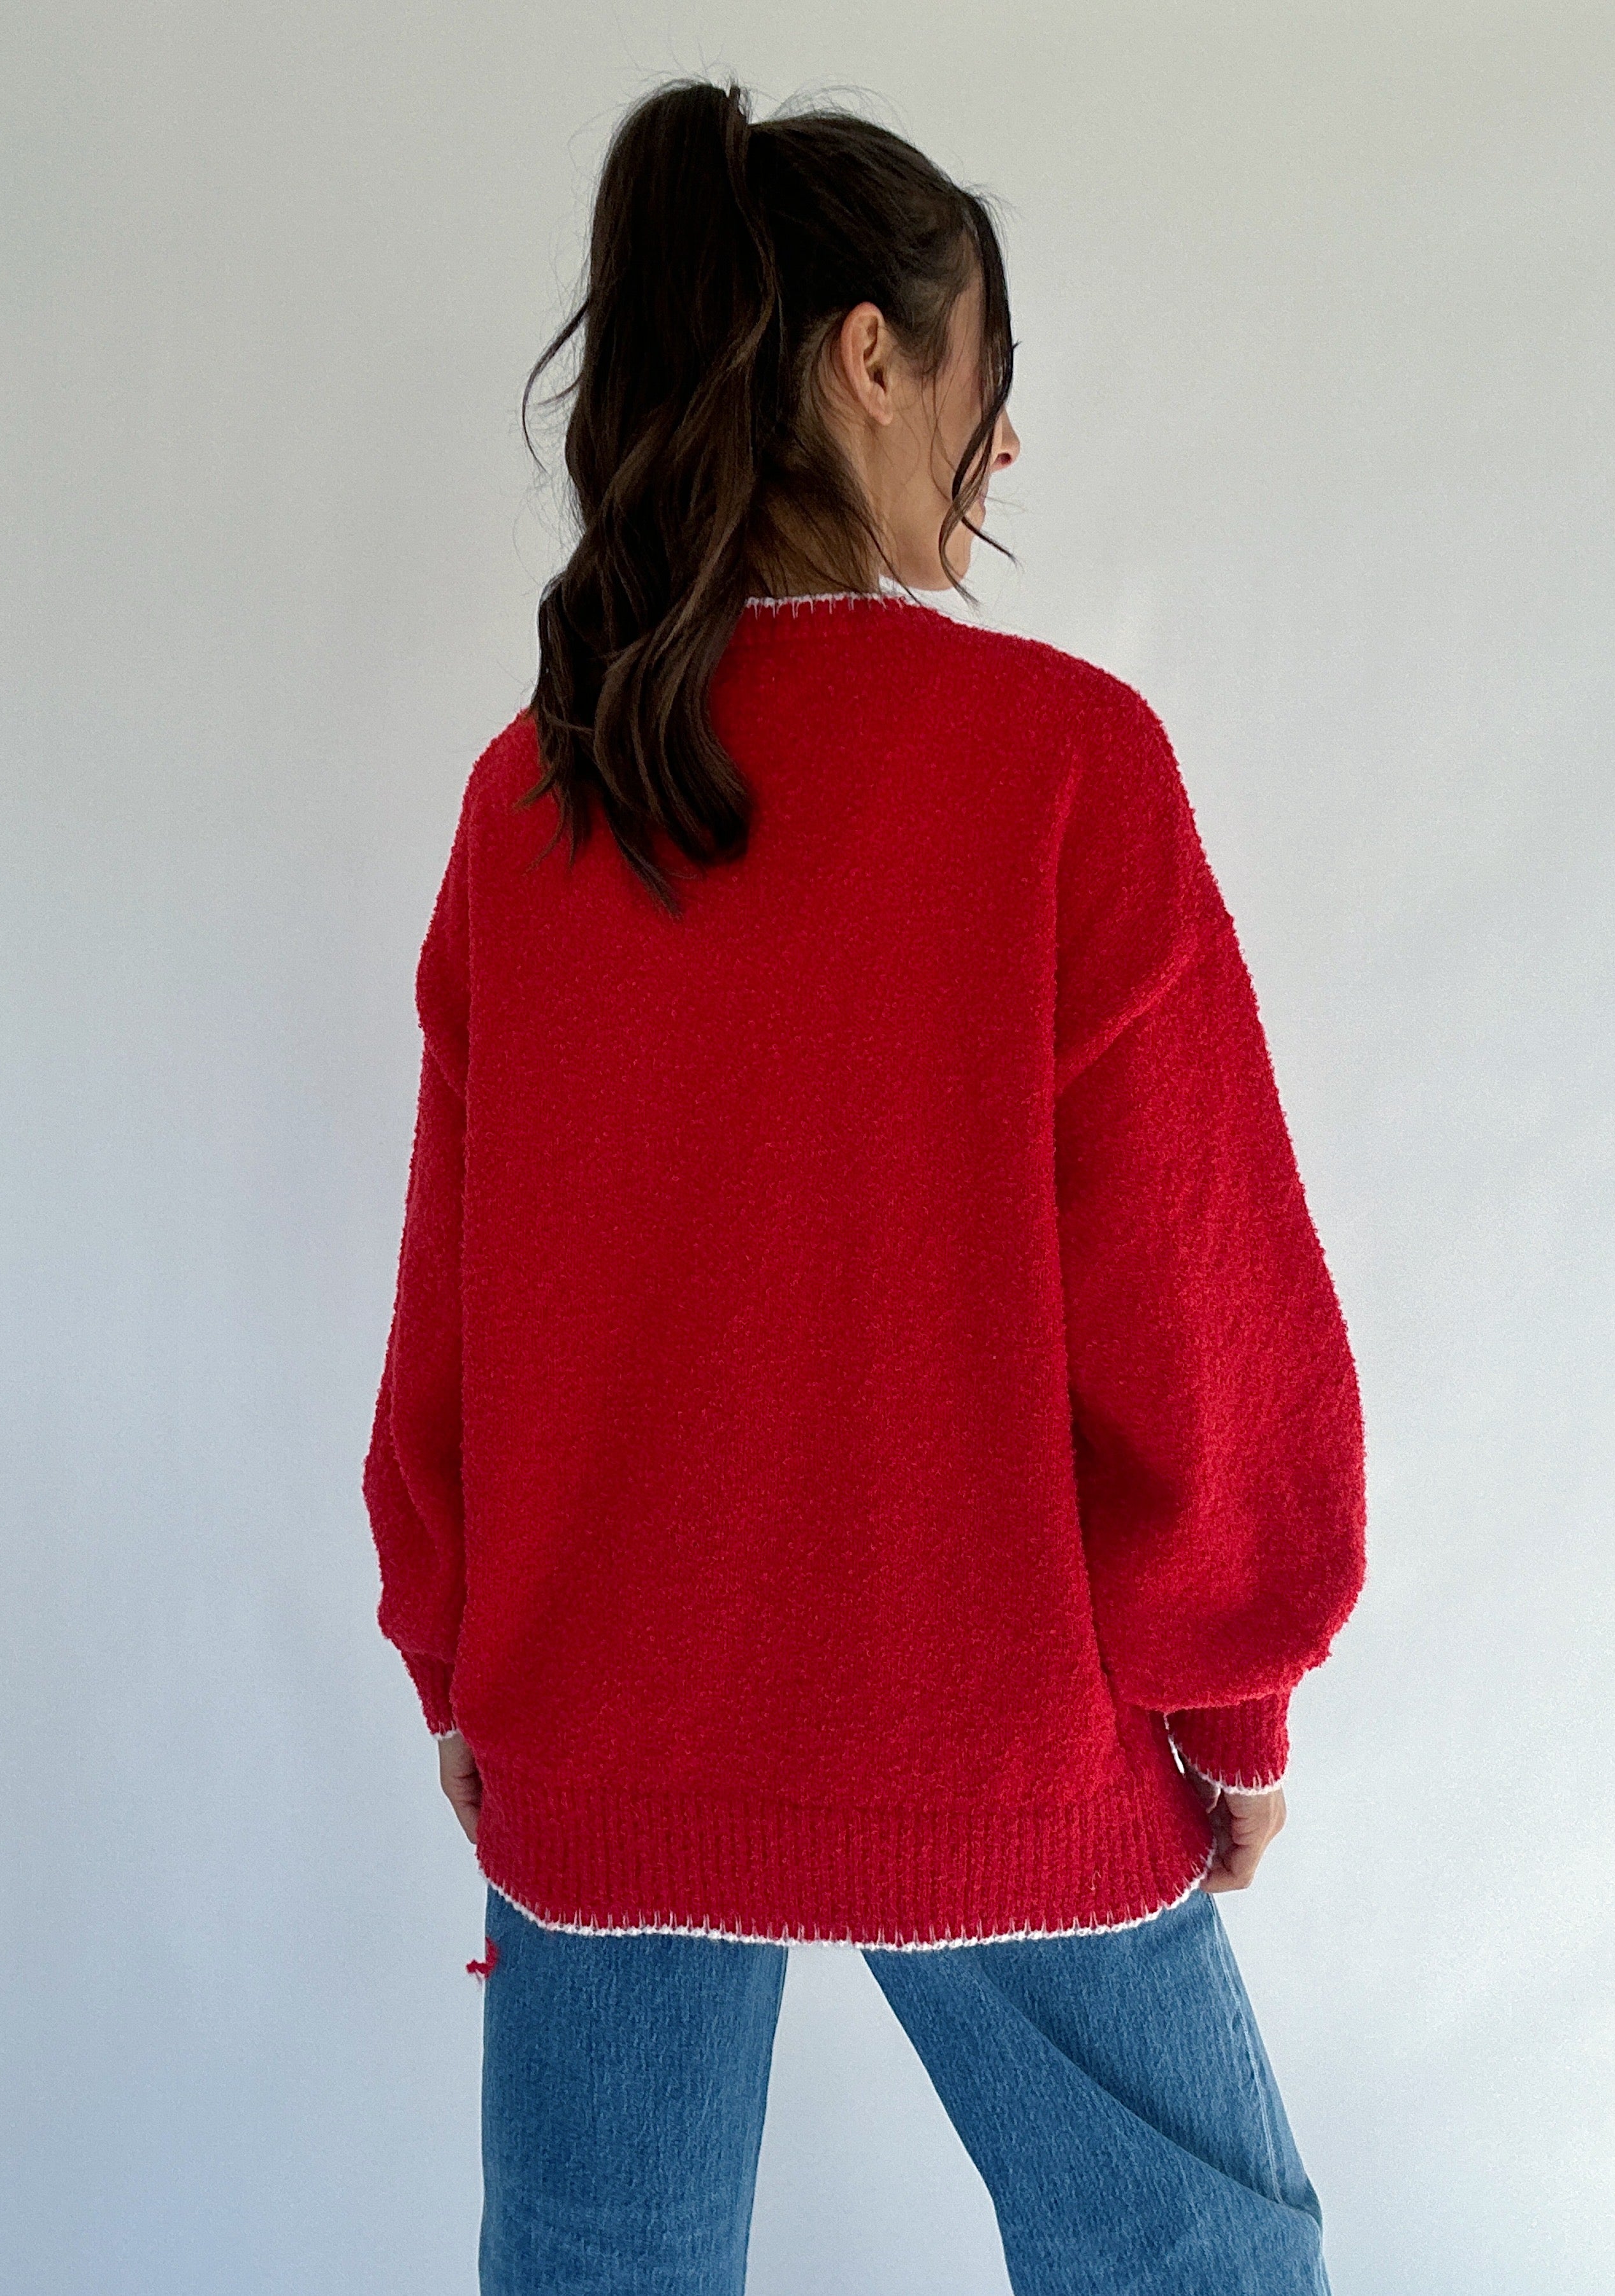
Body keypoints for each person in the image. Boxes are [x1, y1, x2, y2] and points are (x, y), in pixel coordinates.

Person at [362, 73, 1366, 2296]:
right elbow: (1194, 1297)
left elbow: (451, 1304)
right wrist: (1236, 1694)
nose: (995, 458)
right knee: (1191, 2244)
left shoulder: (532, 803)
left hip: (594, 1734)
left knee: (598, 2265)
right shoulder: (1064, 771)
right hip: (994, 1732)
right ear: (869, 354)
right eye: (987, 386)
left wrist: (456, 1656)